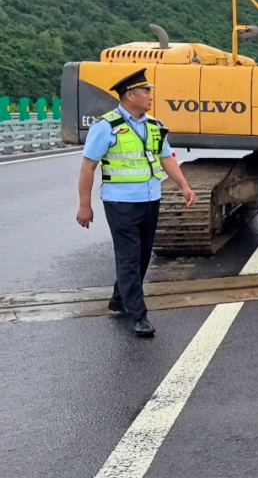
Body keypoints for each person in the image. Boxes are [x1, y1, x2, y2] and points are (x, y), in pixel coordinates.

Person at [76, 69, 196, 337]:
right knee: (129, 257)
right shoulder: (105, 126)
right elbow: (88, 167)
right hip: (120, 202)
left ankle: (120, 298)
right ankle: (138, 315)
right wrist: (85, 204)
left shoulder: (154, 125)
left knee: (142, 256)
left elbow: (165, 158)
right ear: (130, 95)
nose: (151, 96)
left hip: (150, 199)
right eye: (146, 92)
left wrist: (184, 185)